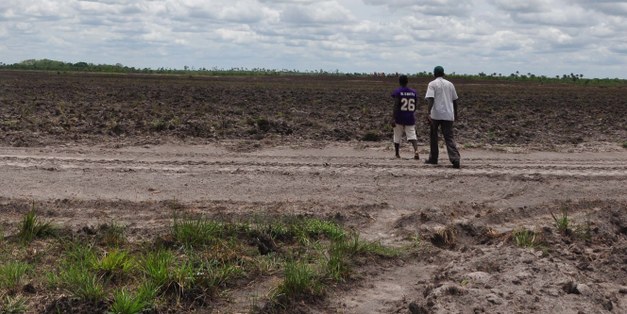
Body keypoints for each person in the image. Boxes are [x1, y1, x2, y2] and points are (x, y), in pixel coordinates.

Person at [424, 66, 461, 168]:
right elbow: (455, 101)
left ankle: (433, 158)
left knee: (434, 136)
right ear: (443, 73)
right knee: (449, 137)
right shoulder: (450, 84)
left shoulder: (432, 84)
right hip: (448, 114)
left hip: (435, 114)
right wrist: (455, 114)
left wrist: (428, 113)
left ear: (434, 74)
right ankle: (455, 159)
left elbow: (430, 99)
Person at [391, 75, 419, 159]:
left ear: (399, 82)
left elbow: (396, 105)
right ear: (407, 82)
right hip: (410, 116)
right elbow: (415, 104)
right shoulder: (413, 92)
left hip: (399, 116)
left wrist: (393, 118)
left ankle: (397, 154)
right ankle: (416, 151)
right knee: (412, 135)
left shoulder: (398, 91)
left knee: (397, 135)